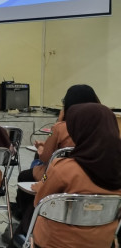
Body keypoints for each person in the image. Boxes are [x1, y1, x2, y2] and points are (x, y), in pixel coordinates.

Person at [28, 103, 121, 248]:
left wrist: (41, 185)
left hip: (55, 243)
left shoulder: (63, 169)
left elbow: (39, 204)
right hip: (101, 243)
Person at [10, 85, 100, 226]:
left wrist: (42, 146)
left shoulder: (63, 127)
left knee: (25, 175)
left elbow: (46, 158)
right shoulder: (104, 128)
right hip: (96, 175)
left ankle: (27, 215)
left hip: (63, 175)